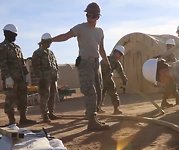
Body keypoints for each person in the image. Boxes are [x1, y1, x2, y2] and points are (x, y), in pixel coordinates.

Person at [45, 2, 111, 130]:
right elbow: (66, 36)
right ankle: (92, 122)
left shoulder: (100, 31)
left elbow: (101, 49)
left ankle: (92, 116)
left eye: (92, 15)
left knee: (98, 89)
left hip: (95, 63)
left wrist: (107, 63)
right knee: (89, 91)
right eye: (87, 15)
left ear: (97, 17)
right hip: (85, 62)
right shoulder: (80, 28)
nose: (89, 17)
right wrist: (51, 39)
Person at [0, 24, 36, 125]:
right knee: (10, 100)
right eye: (13, 34)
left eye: (16, 35)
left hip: (20, 79)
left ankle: (23, 118)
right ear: (6, 34)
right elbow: (3, 63)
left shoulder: (17, 47)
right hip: (10, 79)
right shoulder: (2, 47)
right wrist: (7, 77)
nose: (15, 37)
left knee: (23, 99)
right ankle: (12, 122)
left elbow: (22, 62)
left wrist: (26, 75)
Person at [31, 33, 60, 123]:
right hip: (44, 79)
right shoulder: (37, 53)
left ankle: (51, 113)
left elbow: (55, 64)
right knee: (44, 97)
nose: (50, 44)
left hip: (52, 78)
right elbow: (35, 67)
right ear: (43, 42)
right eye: (48, 42)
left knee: (52, 95)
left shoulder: (50, 53)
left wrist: (56, 75)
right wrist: (41, 78)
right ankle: (45, 115)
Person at [100, 45, 127, 114]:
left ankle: (115, 109)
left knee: (108, 93)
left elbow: (121, 73)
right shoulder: (109, 60)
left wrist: (124, 80)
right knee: (104, 94)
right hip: (103, 79)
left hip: (105, 79)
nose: (120, 56)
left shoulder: (112, 61)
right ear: (115, 52)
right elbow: (98, 69)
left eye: (121, 55)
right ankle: (98, 109)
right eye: (119, 54)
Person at [160, 39, 179, 108]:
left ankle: (178, 100)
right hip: (169, 74)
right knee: (170, 87)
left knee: (173, 87)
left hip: (168, 74)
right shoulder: (170, 54)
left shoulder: (166, 54)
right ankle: (164, 102)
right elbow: (169, 64)